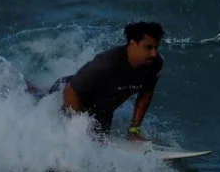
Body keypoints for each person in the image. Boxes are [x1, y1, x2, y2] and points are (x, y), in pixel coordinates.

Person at [35, 21, 164, 140]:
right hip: (66, 94)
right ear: (132, 43)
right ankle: (32, 88)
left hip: (102, 111)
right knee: (38, 98)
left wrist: (133, 131)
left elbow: (145, 94)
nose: (154, 53)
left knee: (101, 142)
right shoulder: (107, 63)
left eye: (156, 47)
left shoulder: (154, 64)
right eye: (148, 47)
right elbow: (70, 92)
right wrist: (78, 128)